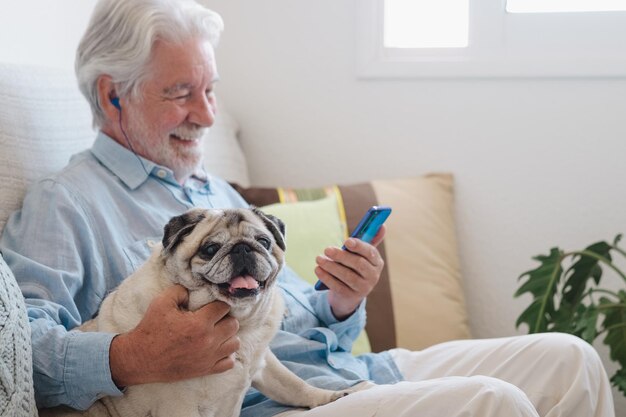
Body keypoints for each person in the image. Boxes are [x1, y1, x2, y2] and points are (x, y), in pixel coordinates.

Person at [0, 0, 615, 416]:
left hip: (341, 369)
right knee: (493, 403)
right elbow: (17, 351)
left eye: (210, 91)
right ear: (113, 96)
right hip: (266, 403)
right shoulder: (68, 203)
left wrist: (342, 302)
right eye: (182, 93)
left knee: (572, 359)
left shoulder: (212, 191)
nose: (207, 115)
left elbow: (290, 311)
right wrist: (131, 355)